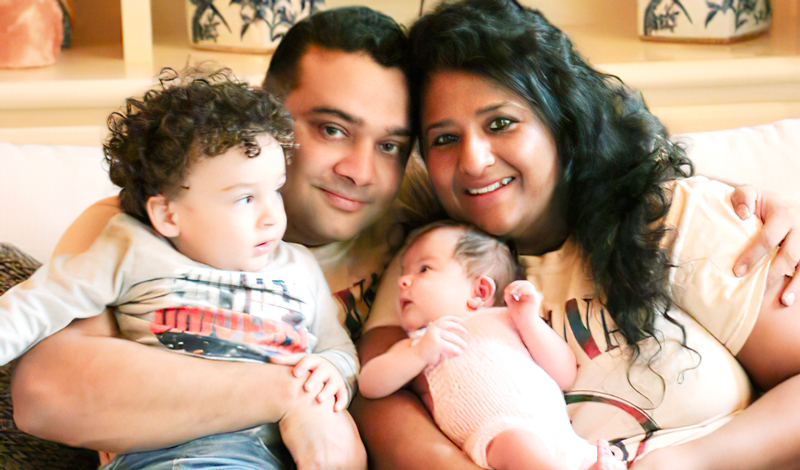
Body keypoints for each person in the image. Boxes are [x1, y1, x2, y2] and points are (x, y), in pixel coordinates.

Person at [353, 1, 800, 469]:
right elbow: (379, 399)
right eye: (444, 138)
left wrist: (690, 461)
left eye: (500, 123)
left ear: (562, 123)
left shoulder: (671, 218)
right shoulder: (433, 260)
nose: (473, 160)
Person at [9, 6, 410, 470]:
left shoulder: (417, 236)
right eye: (332, 130)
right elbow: (45, 396)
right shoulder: (134, 231)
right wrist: (286, 393)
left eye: (389, 146)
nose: (360, 172)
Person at [359, 220, 623, 470]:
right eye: (403, 272)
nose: (402, 281)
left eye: (424, 269)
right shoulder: (419, 343)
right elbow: (369, 384)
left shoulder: (510, 318)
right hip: (497, 433)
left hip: (560, 434)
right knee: (520, 444)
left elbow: (565, 375)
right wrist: (419, 353)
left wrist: (529, 321)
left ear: (480, 292)